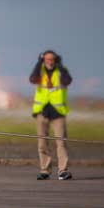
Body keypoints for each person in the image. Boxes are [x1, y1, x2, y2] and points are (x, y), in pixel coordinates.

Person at [29, 50, 72, 180]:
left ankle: (62, 170)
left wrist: (60, 65)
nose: (49, 62)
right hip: (42, 111)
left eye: (52, 59)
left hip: (57, 112)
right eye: (46, 59)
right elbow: (33, 79)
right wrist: (38, 62)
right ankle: (45, 170)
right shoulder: (39, 70)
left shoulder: (61, 71)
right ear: (43, 60)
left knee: (61, 142)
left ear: (56, 60)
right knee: (42, 143)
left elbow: (67, 81)